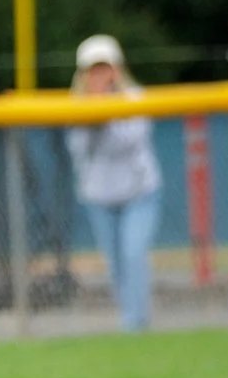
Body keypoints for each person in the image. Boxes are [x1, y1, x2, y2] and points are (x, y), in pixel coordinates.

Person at [65, 34, 162, 333]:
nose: (99, 75)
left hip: (139, 192)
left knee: (133, 254)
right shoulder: (76, 104)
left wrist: (103, 113)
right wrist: (92, 115)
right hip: (99, 196)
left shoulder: (134, 97)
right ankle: (130, 320)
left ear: (116, 69)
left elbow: (128, 141)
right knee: (116, 262)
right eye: (93, 70)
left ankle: (136, 324)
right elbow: (79, 150)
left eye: (104, 68)